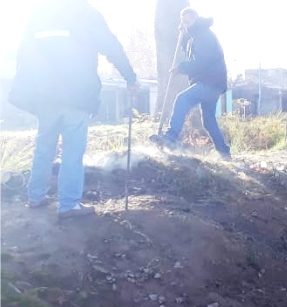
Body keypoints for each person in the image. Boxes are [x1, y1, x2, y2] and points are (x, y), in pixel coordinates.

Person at [9, 0, 138, 219]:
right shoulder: (86, 13)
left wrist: (26, 90)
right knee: (72, 150)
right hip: (76, 94)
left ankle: (35, 196)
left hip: (44, 95)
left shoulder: (40, 12)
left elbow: (23, 52)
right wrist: (130, 77)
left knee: (44, 145)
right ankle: (68, 205)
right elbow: (111, 46)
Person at [151, 8, 230, 160]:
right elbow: (192, 52)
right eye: (183, 22)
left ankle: (171, 137)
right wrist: (184, 36)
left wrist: (181, 68)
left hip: (210, 81)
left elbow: (202, 61)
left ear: (196, 19)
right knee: (208, 120)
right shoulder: (196, 35)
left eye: (188, 21)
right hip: (214, 83)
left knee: (182, 99)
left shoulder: (204, 35)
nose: (185, 24)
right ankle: (224, 152)